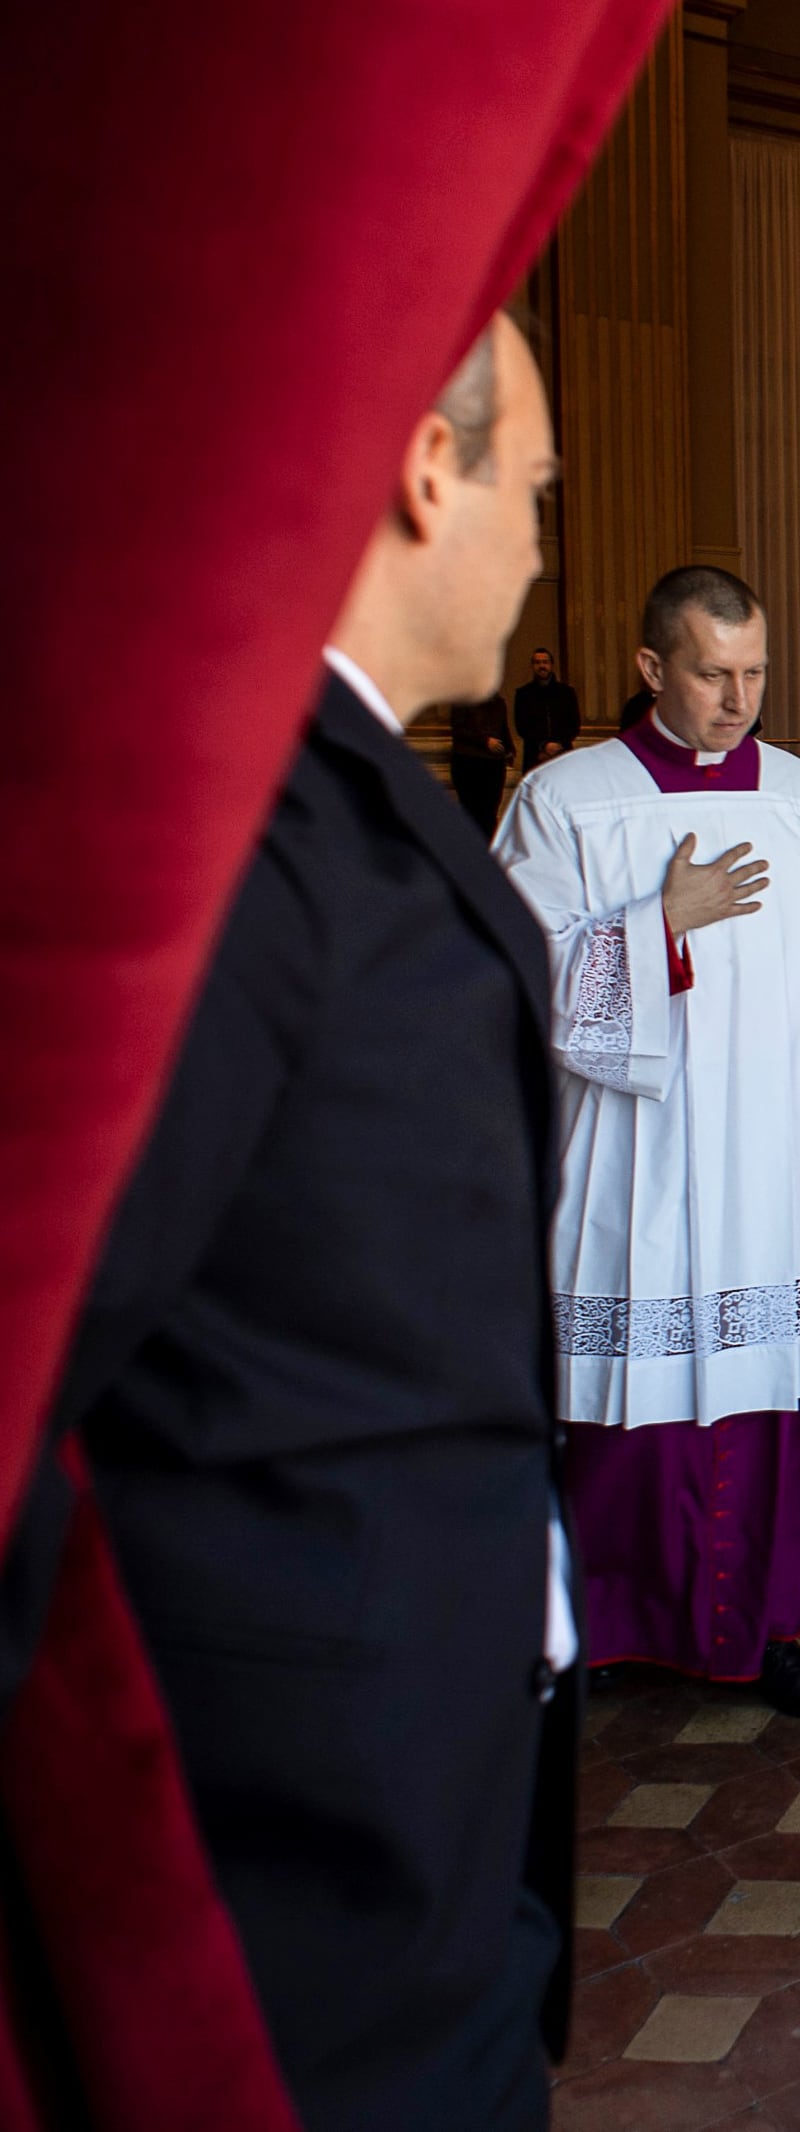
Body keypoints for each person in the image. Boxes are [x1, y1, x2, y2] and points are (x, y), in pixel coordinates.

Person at [48, 308, 575, 2127]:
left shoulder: (337, 776)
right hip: (299, 1810)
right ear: (430, 472)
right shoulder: (238, 832)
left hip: (418, 1754)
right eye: (534, 491)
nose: (541, 548)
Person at [494, 564, 800, 1722]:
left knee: (764, 1404)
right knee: (630, 1416)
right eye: (713, 673)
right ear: (652, 666)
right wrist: (657, 923)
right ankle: (601, 1633)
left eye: (755, 672)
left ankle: (759, 1631)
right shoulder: (566, 799)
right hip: (637, 1157)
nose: (738, 698)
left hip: (773, 1158)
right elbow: (508, 974)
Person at [446, 684, 515, 832]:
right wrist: (485, 741)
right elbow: (458, 729)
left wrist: (510, 749)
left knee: (490, 810)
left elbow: (503, 728)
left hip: (493, 763)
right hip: (468, 761)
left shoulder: (498, 702)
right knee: (472, 811)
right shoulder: (463, 700)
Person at [515, 645, 581, 766]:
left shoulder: (567, 693)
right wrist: (544, 745)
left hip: (562, 753)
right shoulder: (523, 694)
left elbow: (574, 724)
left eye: (545, 662)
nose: (542, 666)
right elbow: (522, 727)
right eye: (537, 662)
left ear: (551, 665)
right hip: (534, 755)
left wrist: (558, 744)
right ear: (532, 666)